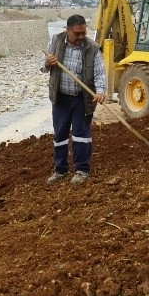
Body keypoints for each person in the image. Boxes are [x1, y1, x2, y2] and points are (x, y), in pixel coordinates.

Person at [41, 14, 108, 184]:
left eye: (83, 33)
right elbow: (41, 66)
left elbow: (100, 73)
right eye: (77, 33)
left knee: (81, 134)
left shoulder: (92, 48)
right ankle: (60, 170)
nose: (81, 37)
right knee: (60, 134)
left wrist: (100, 91)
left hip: (81, 99)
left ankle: (81, 170)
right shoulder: (55, 41)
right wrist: (48, 62)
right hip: (61, 98)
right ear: (68, 30)